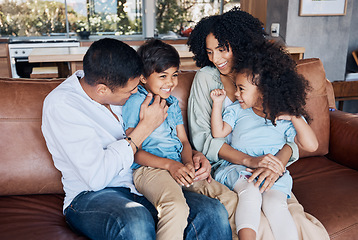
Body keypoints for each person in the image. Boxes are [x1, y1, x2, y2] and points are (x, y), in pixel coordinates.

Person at [41, 38, 232, 240]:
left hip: (143, 185)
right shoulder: (62, 105)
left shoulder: (122, 86)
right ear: (102, 90)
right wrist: (145, 127)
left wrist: (194, 155)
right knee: (135, 219)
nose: (135, 93)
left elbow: (163, 140)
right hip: (92, 195)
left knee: (213, 212)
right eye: (130, 91)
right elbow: (96, 178)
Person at [187, 7, 329, 240]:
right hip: (232, 170)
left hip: (271, 170)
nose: (215, 59)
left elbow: (291, 136)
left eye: (222, 49)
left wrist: (275, 165)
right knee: (258, 222)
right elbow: (206, 140)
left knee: (296, 222)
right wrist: (250, 161)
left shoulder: (265, 78)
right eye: (210, 51)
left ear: (241, 43)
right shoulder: (207, 79)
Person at [122, 39, 236, 240]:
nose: (170, 82)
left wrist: (187, 163)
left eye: (174, 75)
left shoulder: (172, 103)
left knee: (229, 198)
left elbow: (184, 142)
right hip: (150, 170)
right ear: (142, 77)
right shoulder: (136, 102)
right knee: (175, 207)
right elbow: (133, 150)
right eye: (163, 76)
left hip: (179, 165)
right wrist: (171, 166)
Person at [210, 41, 318, 240]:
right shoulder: (236, 111)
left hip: (274, 175)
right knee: (250, 193)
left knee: (276, 204)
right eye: (236, 88)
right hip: (238, 168)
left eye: (241, 89)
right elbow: (218, 133)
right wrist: (217, 105)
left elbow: (311, 145)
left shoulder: (285, 117)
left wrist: (295, 117)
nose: (236, 94)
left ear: (264, 91)